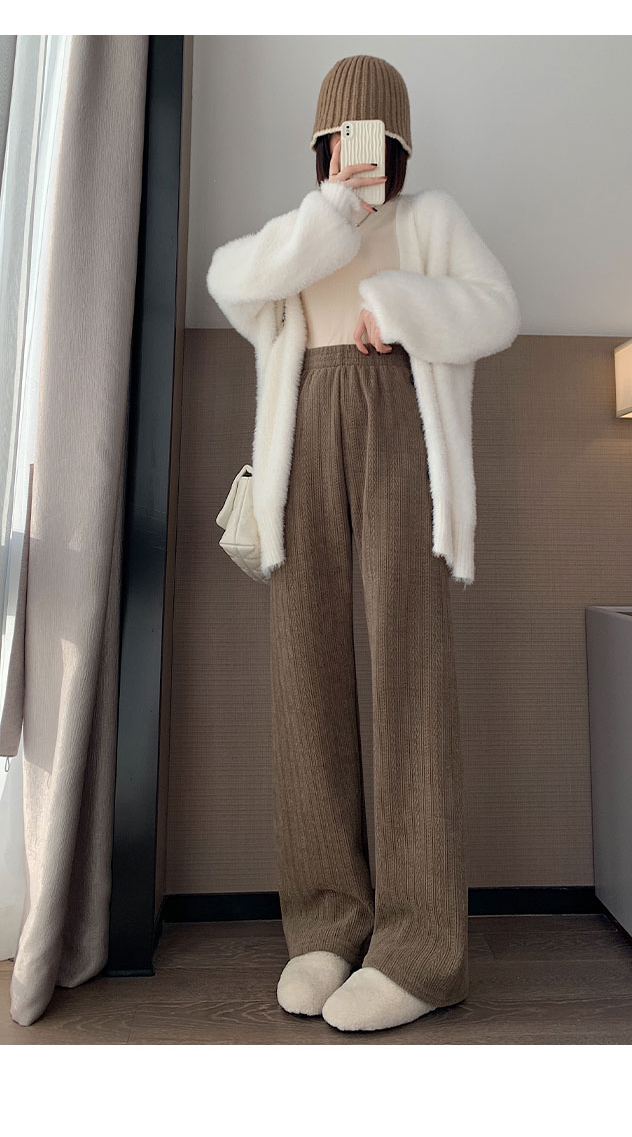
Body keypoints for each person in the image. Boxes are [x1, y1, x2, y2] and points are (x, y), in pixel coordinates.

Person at [206, 54, 521, 1032]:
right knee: (305, 677)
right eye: (339, 140)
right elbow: (232, 280)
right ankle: (324, 925)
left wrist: (401, 306)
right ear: (319, 145)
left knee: (408, 678)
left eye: (376, 140)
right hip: (302, 443)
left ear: (401, 142)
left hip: (399, 439)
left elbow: (497, 310)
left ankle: (422, 949)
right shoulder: (302, 230)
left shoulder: (432, 219)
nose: (358, 154)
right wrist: (333, 214)